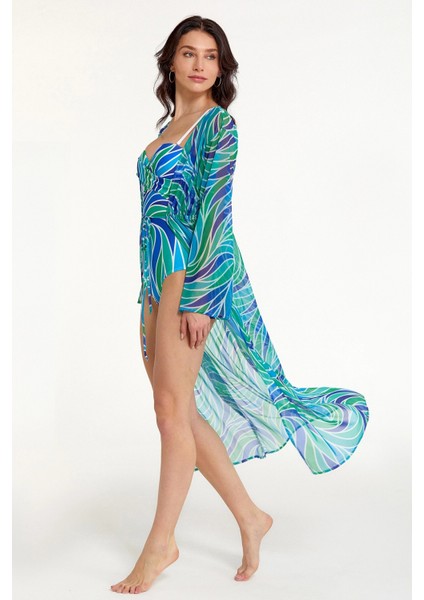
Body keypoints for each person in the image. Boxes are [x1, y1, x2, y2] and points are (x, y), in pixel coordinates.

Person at [111, 15, 369, 595]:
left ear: (221, 68)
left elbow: (214, 213)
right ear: (170, 62)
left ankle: (161, 544)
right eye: (188, 53)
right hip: (155, 280)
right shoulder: (166, 130)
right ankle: (251, 516)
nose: (200, 64)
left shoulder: (218, 126)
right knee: (177, 410)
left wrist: (200, 297)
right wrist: (149, 293)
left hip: (190, 278)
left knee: (170, 413)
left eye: (210, 56)